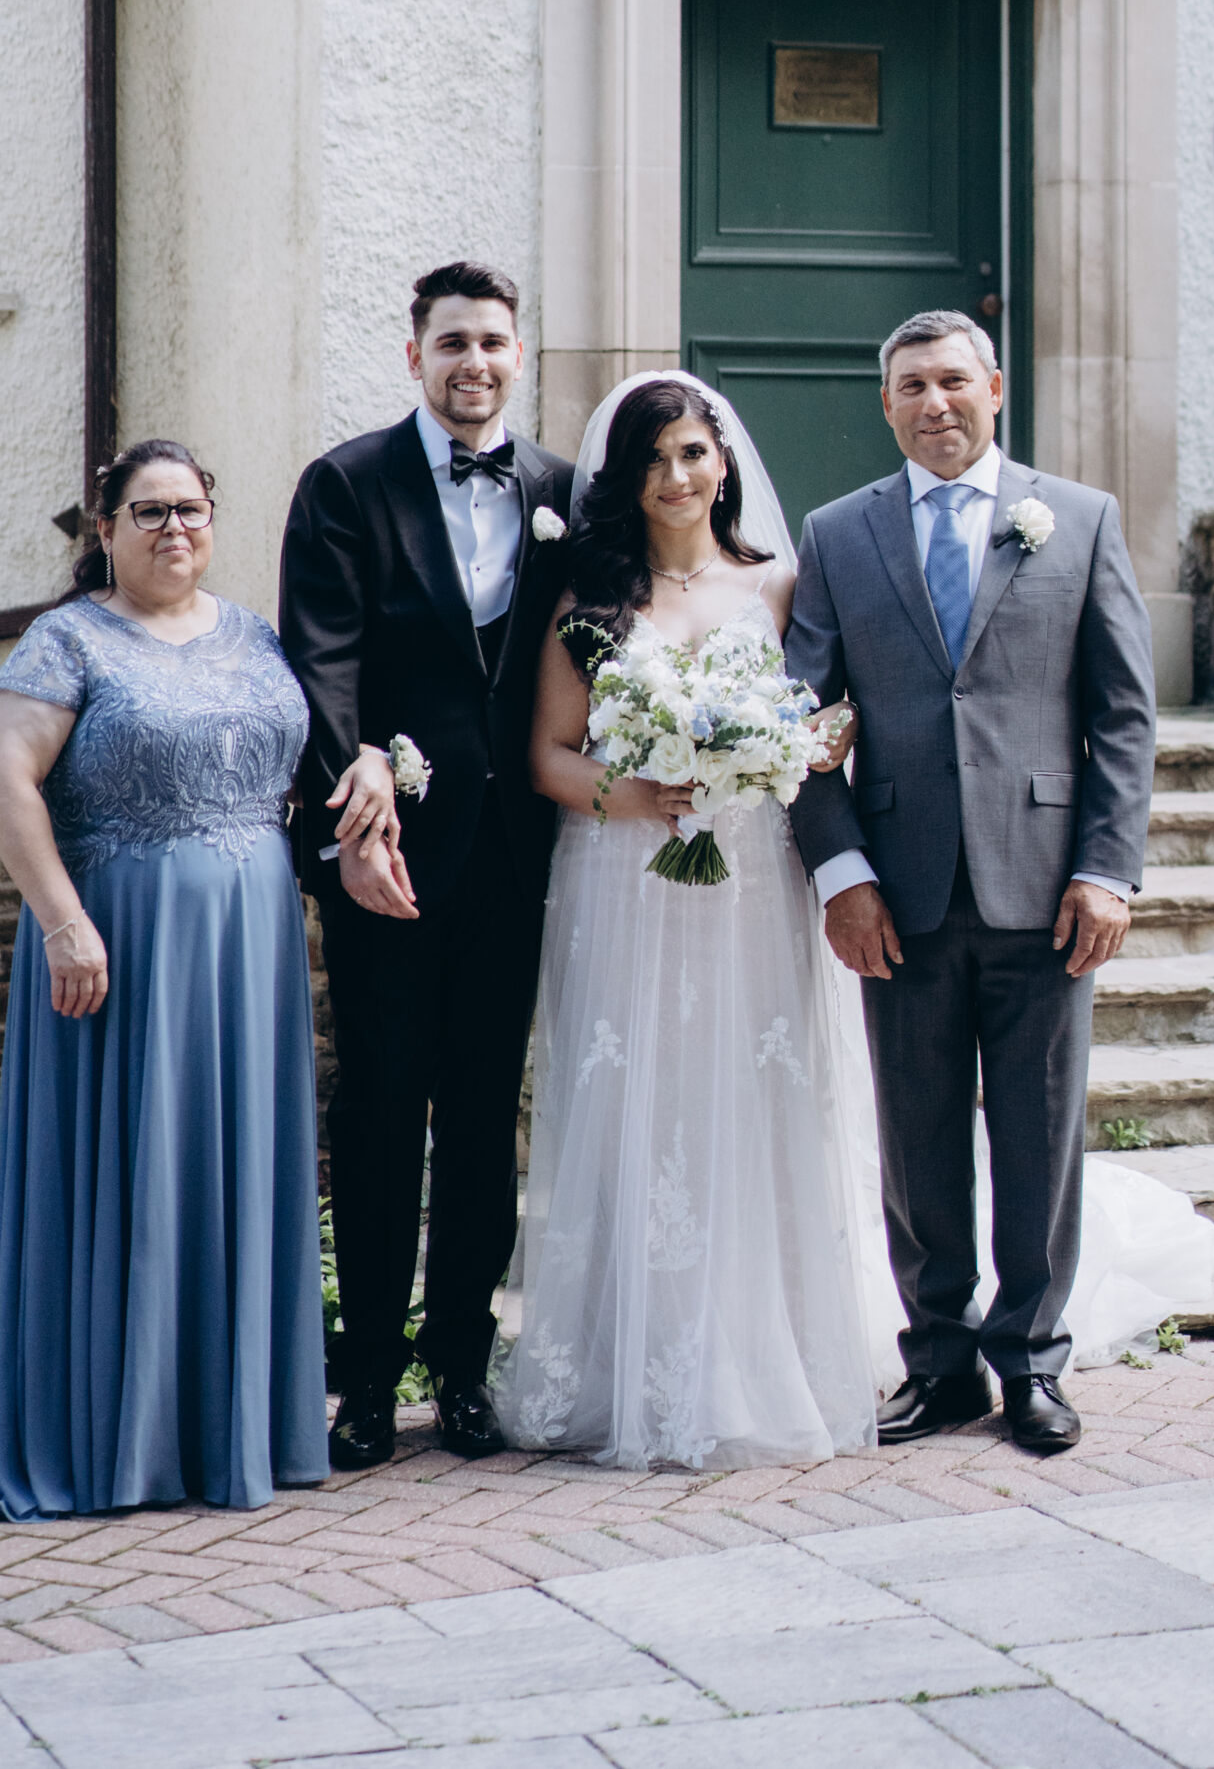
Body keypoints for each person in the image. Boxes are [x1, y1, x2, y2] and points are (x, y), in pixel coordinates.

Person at [0, 441, 327, 1522]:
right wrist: (64, 924)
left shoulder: (254, 634)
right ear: (106, 530)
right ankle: (117, 1436)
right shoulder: (68, 640)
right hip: (119, 948)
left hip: (248, 950)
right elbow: (4, 780)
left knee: (230, 1168)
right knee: (133, 1171)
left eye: (190, 508)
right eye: (149, 511)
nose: (173, 528)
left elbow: (311, 756)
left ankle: (227, 1429)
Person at [785, 309, 1156, 1455]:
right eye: (911, 386)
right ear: (884, 403)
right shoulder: (837, 534)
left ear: (995, 388)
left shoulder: (1080, 519)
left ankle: (1032, 1363)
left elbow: (1124, 716)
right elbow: (797, 722)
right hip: (898, 892)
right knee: (918, 1138)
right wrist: (841, 871)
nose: (934, 403)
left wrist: (1107, 869)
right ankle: (938, 1363)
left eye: (953, 381)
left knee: (1041, 1135)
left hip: (1046, 889)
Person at [495, 374, 875, 1469]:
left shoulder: (778, 585)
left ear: (724, 461)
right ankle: (636, 1357)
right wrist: (634, 793)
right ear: (626, 478)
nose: (676, 476)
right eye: (654, 459)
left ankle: (761, 1352)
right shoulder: (589, 603)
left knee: (750, 1096)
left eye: (693, 453)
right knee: (641, 1101)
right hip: (627, 879)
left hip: (751, 884)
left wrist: (804, 745)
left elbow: (826, 719)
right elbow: (548, 755)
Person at [279, 262, 574, 1470]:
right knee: (382, 1110)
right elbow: (322, 657)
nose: (474, 363)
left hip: (517, 854)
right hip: (388, 854)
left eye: (493, 342)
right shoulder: (347, 484)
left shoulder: (562, 490)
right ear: (415, 357)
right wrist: (352, 813)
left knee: (484, 1115)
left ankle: (460, 1366)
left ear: (518, 354)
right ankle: (363, 1381)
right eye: (452, 343)